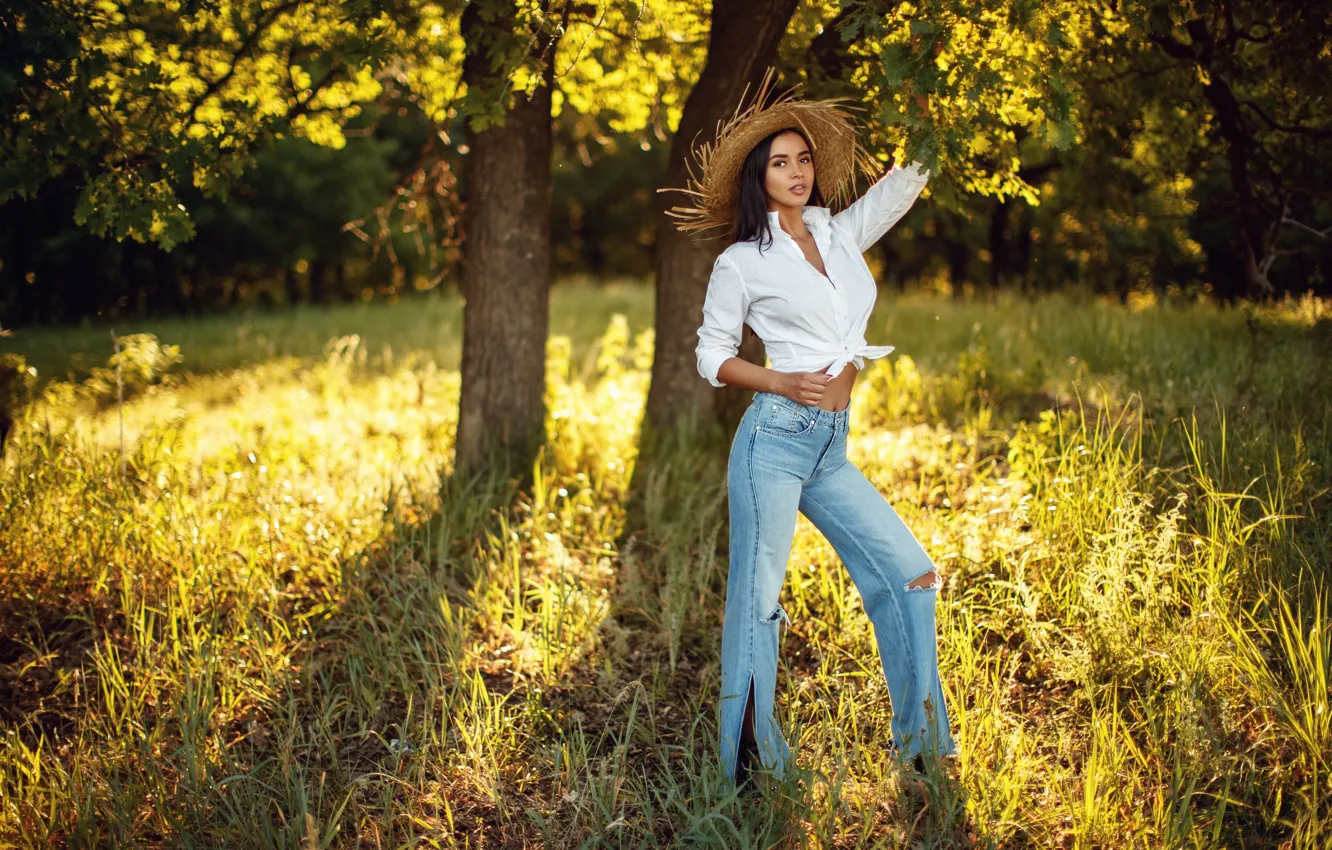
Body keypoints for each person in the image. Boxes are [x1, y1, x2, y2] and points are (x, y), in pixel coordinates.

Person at [661, 69, 956, 787]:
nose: (796, 172)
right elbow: (710, 354)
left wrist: (927, 111)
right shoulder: (741, 261)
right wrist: (779, 380)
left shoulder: (837, 230)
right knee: (757, 602)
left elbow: (905, 182)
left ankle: (921, 750)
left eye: (803, 160)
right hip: (775, 439)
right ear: (758, 179)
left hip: (830, 447)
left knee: (912, 574)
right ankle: (750, 767)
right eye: (779, 163)